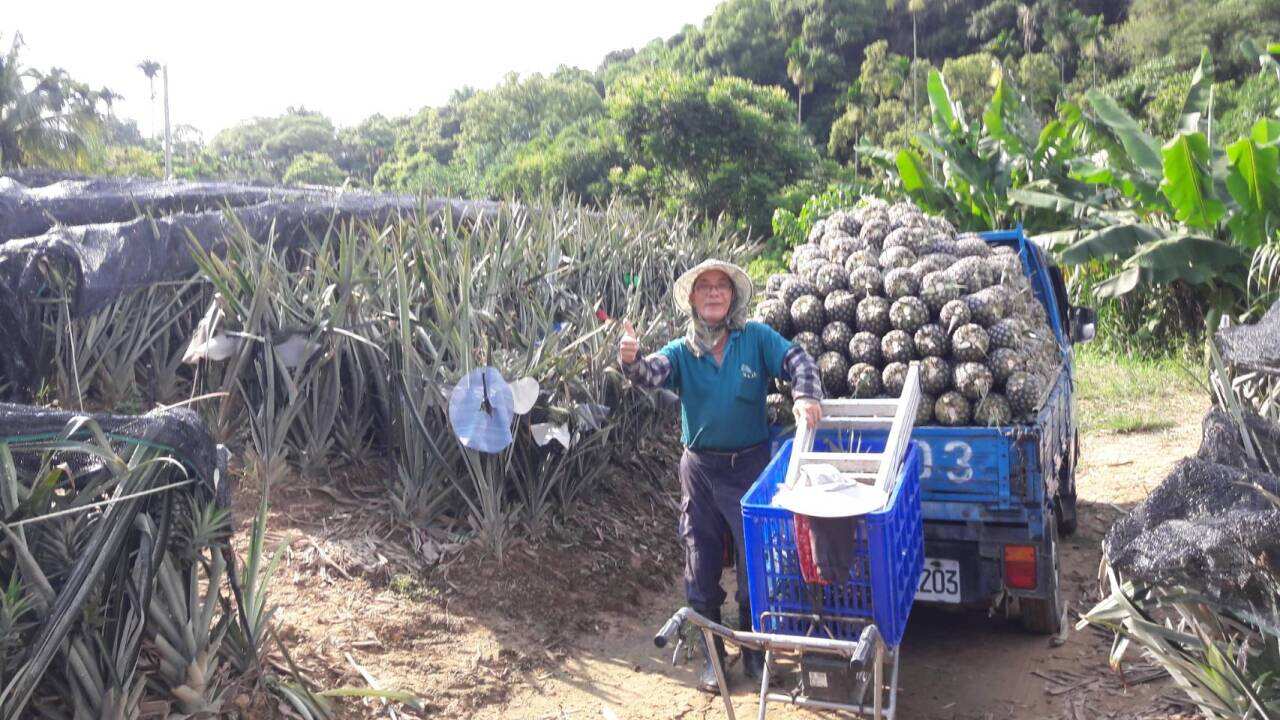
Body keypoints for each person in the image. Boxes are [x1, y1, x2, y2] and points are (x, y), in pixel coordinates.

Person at [618, 259, 823, 692]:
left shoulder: (756, 338)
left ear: (732, 297)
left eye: (721, 287)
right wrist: (631, 361)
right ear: (693, 299)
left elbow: (797, 359)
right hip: (700, 471)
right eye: (704, 287)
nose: (713, 293)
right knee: (700, 560)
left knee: (756, 562)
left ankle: (755, 655)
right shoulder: (681, 350)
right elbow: (651, 373)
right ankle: (712, 659)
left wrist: (804, 395)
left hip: (749, 467)